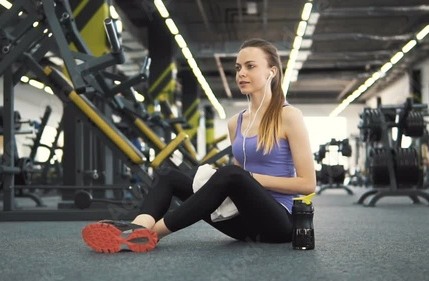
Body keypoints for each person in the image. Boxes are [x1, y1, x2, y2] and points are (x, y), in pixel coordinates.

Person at [81, 38, 316, 253]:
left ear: (271, 72)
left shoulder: (289, 116)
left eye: (250, 66)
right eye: (238, 68)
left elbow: (307, 184)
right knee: (168, 175)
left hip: (278, 225)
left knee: (231, 174)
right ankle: (135, 227)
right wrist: (226, 181)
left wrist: (250, 178)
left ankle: (151, 235)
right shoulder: (237, 122)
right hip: (244, 225)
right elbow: (238, 186)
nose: (241, 74)